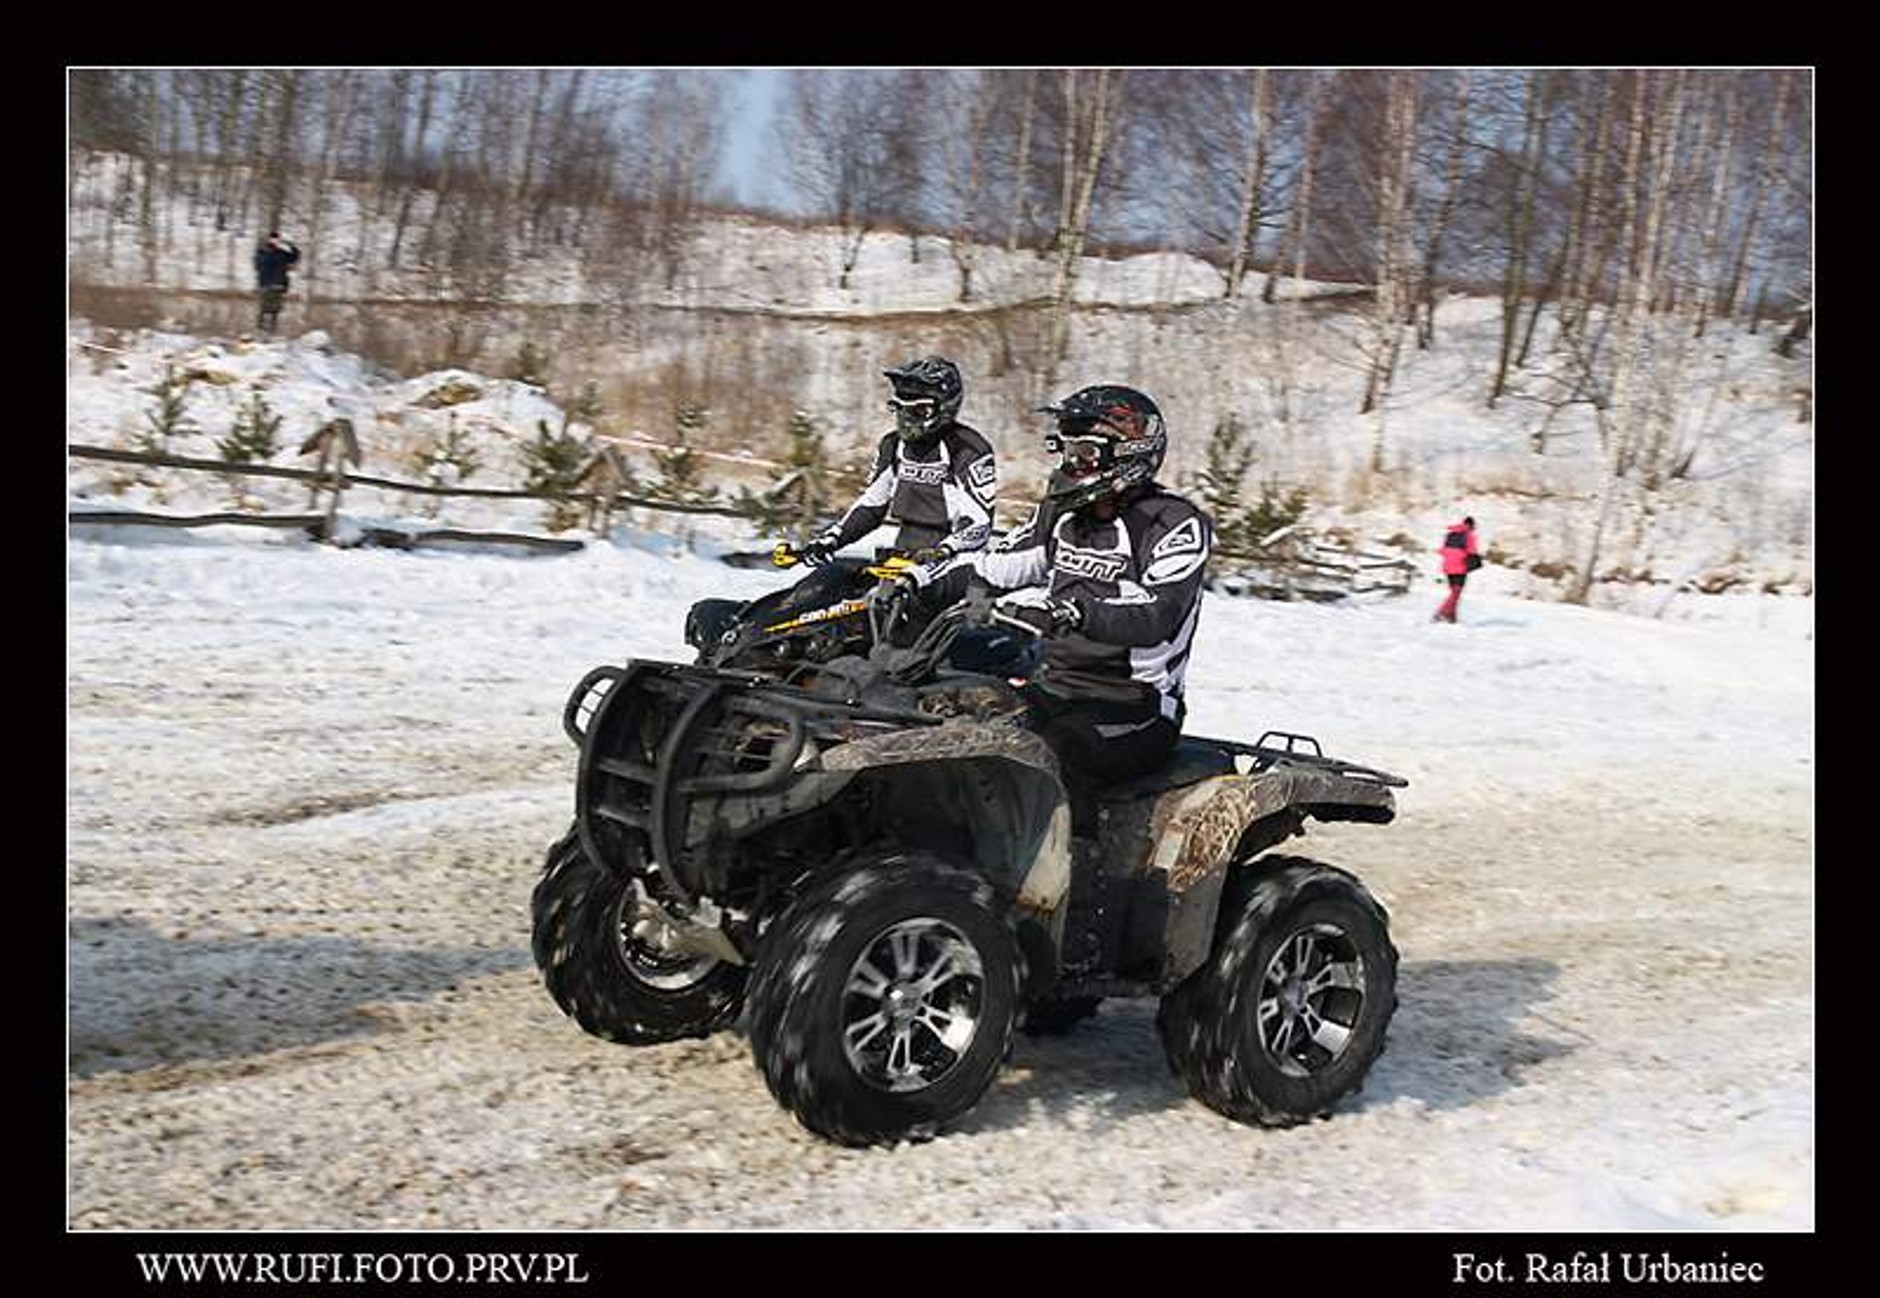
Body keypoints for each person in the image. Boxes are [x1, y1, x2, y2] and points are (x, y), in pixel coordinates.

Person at [896, 384, 1213, 829]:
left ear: (1130, 453)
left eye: (1084, 450)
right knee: (950, 719)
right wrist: (915, 583)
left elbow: (1157, 616)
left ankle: (1077, 889)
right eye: (1063, 449)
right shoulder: (1064, 516)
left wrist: (1071, 611)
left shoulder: (1174, 523)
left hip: (1133, 706)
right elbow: (992, 567)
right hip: (1055, 688)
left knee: (1051, 755)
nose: (1070, 463)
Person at [793, 356, 998, 568]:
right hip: (901, 554)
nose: (905, 418)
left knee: (892, 599)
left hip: (954, 564)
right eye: (899, 407)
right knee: (822, 585)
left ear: (945, 406)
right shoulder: (892, 445)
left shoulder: (969, 448)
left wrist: (943, 551)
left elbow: (979, 524)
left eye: (919, 410)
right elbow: (872, 505)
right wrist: (832, 539)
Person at [1433, 514, 1481, 623]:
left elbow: (1444, 549)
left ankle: (1451, 616)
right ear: (1471, 525)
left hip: (1447, 566)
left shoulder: (1450, 534)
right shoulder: (1469, 535)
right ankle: (1441, 613)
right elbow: (1472, 551)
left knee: (1454, 592)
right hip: (1460, 566)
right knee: (1456, 592)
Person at [253, 231, 301, 335]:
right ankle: (259, 330)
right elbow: (258, 265)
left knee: (275, 310)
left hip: (279, 285)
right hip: (266, 284)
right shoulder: (262, 252)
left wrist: (291, 245)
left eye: (276, 239)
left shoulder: (281, 253)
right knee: (264, 308)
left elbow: (294, 257)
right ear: (269, 239)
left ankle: (271, 331)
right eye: (272, 238)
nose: (274, 241)